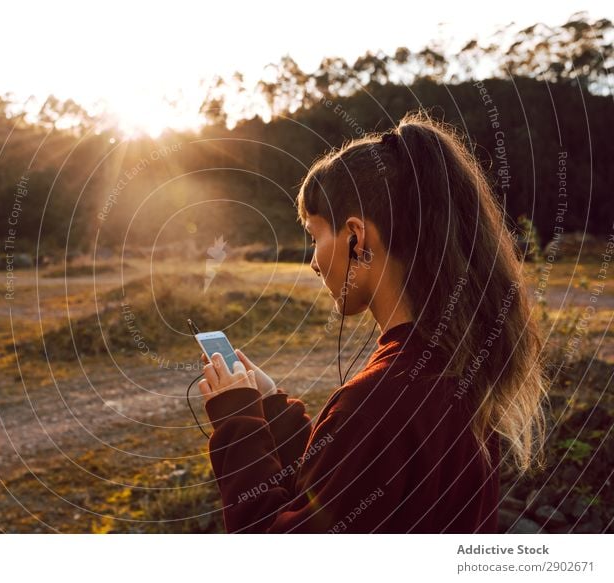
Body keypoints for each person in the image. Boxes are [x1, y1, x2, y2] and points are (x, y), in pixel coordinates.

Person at [198, 110, 549, 533]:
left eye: (314, 235)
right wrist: (274, 412)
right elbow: (338, 489)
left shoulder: (377, 400)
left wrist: (238, 424)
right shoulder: (458, 366)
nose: (313, 262)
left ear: (355, 238)